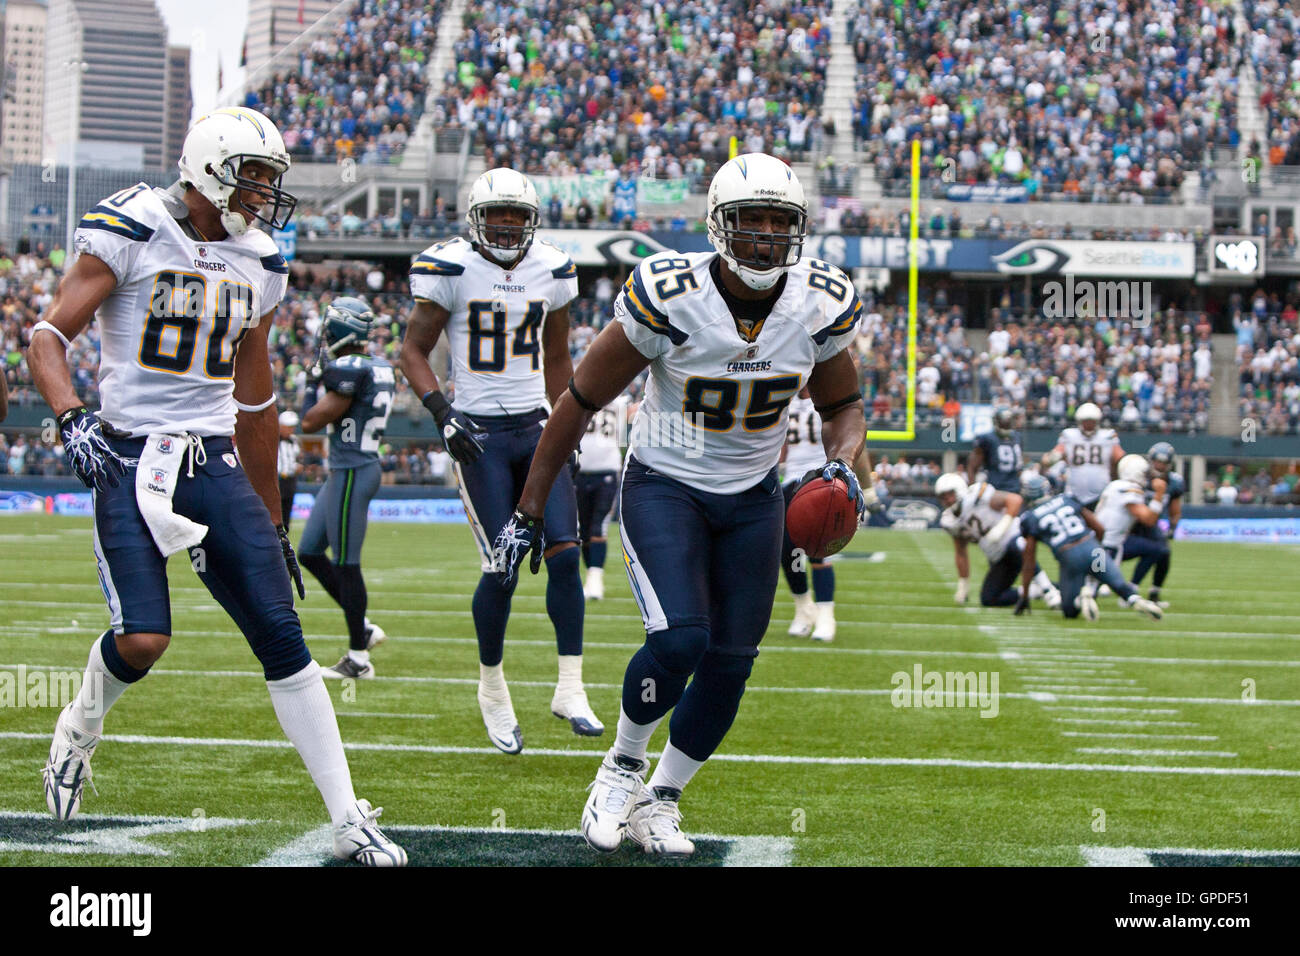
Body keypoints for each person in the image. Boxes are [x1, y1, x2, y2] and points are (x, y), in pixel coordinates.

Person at [26, 106, 404, 865]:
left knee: (283, 638)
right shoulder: (131, 225)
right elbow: (47, 337)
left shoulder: (259, 260)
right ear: (207, 169)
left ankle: (347, 815)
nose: (264, 192)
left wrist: (271, 515)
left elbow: (257, 401)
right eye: (254, 175)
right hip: (130, 458)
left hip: (214, 460)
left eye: (271, 178)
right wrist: (71, 418)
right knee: (144, 639)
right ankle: (78, 727)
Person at [490, 153, 868, 857]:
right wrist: (529, 509)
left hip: (754, 495)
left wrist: (844, 470)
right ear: (718, 227)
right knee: (680, 639)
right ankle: (621, 766)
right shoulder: (671, 293)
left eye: (778, 222)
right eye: (749, 221)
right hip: (666, 484)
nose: (764, 236)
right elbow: (580, 399)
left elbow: (845, 406)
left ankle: (660, 800)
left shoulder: (818, 302)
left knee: (731, 659)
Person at [399, 167, 600, 754]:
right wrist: (442, 411)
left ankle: (570, 687)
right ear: (477, 218)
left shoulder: (553, 267)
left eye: (518, 214)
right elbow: (412, 349)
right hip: (479, 436)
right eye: (498, 214)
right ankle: (492, 688)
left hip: (538, 429)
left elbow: (559, 354)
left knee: (566, 556)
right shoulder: (451, 267)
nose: (509, 225)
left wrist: (572, 422)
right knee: (502, 568)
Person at [298, 297, 394, 678]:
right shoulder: (377, 365)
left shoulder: (350, 368)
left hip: (354, 469)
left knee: (346, 564)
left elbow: (310, 421)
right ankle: (364, 626)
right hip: (347, 469)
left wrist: (310, 385)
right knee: (309, 552)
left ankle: (358, 658)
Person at [1016, 471, 1163, 621]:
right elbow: (1098, 528)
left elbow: (1029, 560)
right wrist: (1096, 548)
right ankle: (1134, 599)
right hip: (1092, 547)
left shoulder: (1030, 517)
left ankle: (1080, 600)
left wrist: (1025, 595)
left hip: (1069, 555)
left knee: (1069, 612)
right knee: (1117, 584)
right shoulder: (1066, 499)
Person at [935, 472, 1060, 609]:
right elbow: (961, 552)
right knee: (989, 598)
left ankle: (1049, 592)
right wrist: (963, 584)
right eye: (943, 497)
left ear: (959, 489)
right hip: (999, 557)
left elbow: (1015, 500)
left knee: (1016, 545)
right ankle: (1036, 591)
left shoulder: (977, 496)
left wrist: (1001, 527)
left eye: (949, 494)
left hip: (1015, 539)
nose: (947, 499)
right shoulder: (949, 521)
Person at [1082, 454, 1167, 616]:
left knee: (1096, 581)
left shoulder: (1115, 486)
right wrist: (1159, 495)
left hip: (1104, 544)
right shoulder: (1128, 489)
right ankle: (1046, 590)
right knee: (1095, 584)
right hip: (1105, 546)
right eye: (1144, 473)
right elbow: (1149, 519)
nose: (1146, 476)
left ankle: (1131, 596)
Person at [576, 392, 632, 600]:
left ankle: (595, 580)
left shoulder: (619, 403)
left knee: (598, 525)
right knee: (583, 529)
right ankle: (591, 578)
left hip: (607, 471)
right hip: (580, 472)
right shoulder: (585, 397)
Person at [1125, 441, 1182, 606]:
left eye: (1164, 462)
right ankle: (1097, 584)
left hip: (1151, 524)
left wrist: (1172, 527)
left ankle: (1154, 593)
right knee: (1108, 554)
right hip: (1130, 523)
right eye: (1157, 461)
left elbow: (1175, 510)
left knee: (1163, 552)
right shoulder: (1139, 476)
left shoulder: (1174, 482)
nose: (1160, 465)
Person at [1042, 402, 1123, 509]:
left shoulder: (1108, 436)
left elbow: (1121, 459)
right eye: (1086, 422)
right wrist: (1052, 457)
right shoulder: (1069, 435)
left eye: (1091, 422)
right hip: (1074, 493)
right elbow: (1050, 459)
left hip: (1101, 493)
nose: (1089, 425)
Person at [967, 406, 1023, 492]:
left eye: (1008, 422)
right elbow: (972, 466)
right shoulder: (987, 439)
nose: (1006, 424)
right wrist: (972, 488)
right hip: (995, 488)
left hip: (1014, 487)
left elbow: (1019, 466)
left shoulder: (1017, 437)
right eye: (1003, 422)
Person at [277, 410, 301, 529]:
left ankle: (285, 542)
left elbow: (294, 458)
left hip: (290, 481)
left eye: (293, 427)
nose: (291, 429)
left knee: (286, 515)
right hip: (277, 480)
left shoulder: (294, 440)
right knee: (275, 515)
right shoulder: (273, 440)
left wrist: (296, 466)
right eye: (288, 427)